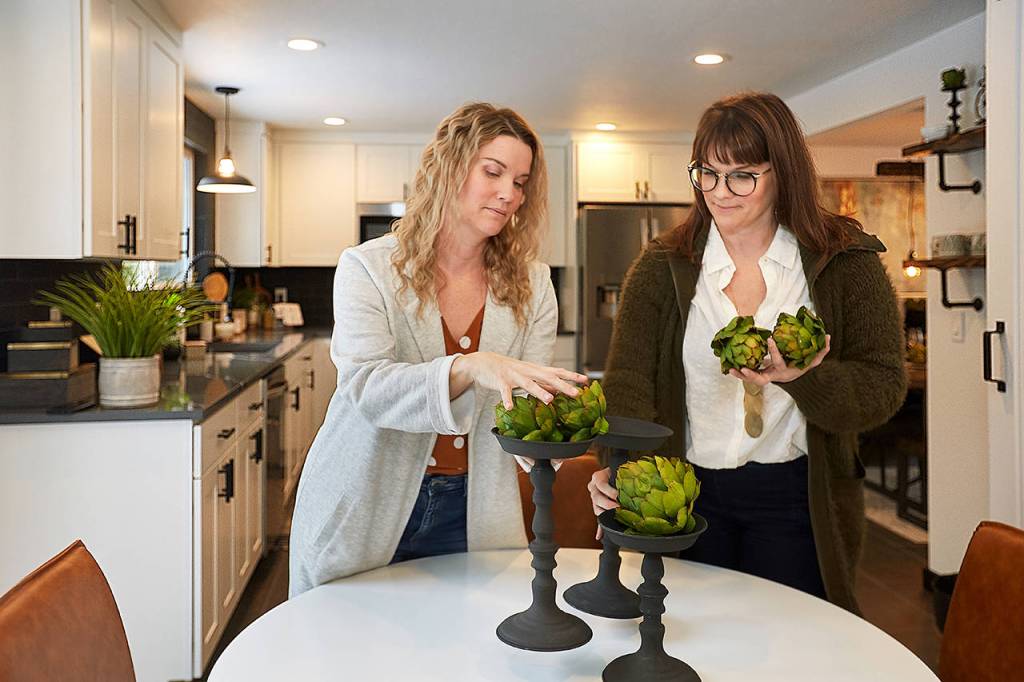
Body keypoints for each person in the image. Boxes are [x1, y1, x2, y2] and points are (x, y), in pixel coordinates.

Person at [587, 92, 907, 613]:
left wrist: (800, 375)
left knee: (788, 647)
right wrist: (619, 465)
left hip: (797, 499)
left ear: (782, 172)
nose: (720, 192)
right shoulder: (662, 264)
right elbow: (628, 382)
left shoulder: (845, 260)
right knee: (692, 641)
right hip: (686, 493)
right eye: (706, 173)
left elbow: (882, 388)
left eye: (742, 175)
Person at [290, 102, 586, 596]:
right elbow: (365, 388)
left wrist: (575, 451)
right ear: (449, 168)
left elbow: (529, 410)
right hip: (366, 501)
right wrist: (470, 366)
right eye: (493, 172)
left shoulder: (533, 284)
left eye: (520, 181)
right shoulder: (368, 268)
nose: (508, 194)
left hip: (475, 510)